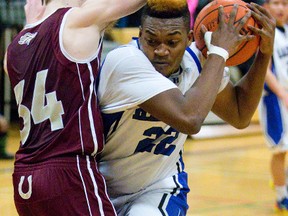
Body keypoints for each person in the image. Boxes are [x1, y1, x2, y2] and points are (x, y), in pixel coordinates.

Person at [97, 0, 275, 215]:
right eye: (152, 41)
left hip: (158, 187)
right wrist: (219, 53)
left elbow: (239, 114)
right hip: (99, 185)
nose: (161, 51)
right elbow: (189, 118)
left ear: (189, 38)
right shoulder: (125, 61)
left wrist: (264, 54)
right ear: (140, 34)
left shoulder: (197, 62)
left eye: (172, 42)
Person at [3, 0, 149, 215]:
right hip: (68, 173)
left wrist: (30, 23)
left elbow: (10, 65)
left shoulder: (15, 46)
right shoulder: (76, 21)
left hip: (25, 180)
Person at [258, 0, 288, 212]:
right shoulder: (264, 34)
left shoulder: (286, 31)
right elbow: (265, 71)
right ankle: (281, 196)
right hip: (275, 100)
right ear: (266, 6)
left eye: (285, 4)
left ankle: (282, 182)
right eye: (276, 3)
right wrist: (281, 93)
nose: (281, 8)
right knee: (280, 151)